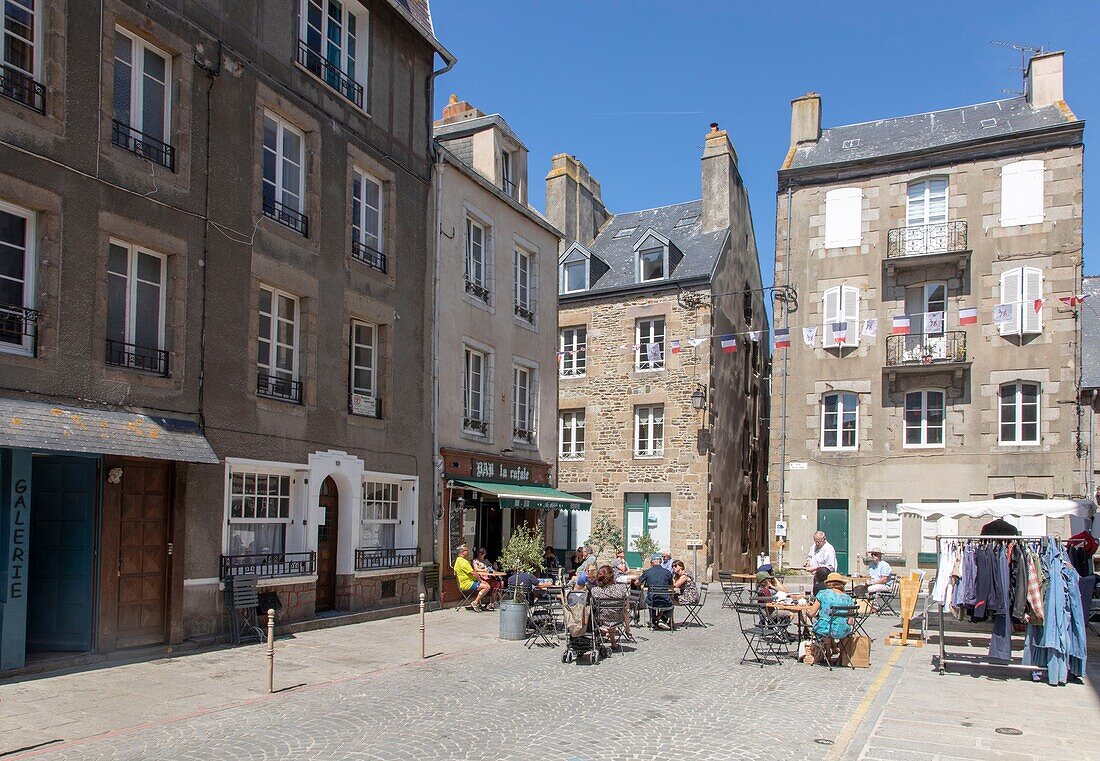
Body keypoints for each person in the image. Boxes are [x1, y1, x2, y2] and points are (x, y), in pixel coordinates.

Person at [807, 572, 856, 658]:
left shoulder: (823, 594)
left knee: (824, 624)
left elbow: (811, 613)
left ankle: (827, 651)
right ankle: (841, 654)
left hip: (825, 629)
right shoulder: (848, 598)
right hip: (843, 631)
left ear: (828, 583)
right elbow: (850, 621)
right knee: (834, 623)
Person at [588, 565, 630, 651]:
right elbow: (627, 606)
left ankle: (603, 633)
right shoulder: (621, 589)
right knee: (619, 611)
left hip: (601, 619)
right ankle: (616, 640)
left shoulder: (595, 590)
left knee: (604, 611)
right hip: (618, 619)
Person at [639, 554, 675, 629]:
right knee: (669, 600)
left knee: (650, 599)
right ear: (661, 562)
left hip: (652, 600)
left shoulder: (647, 572)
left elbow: (637, 583)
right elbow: (671, 586)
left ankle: (653, 621)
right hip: (665, 600)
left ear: (651, 562)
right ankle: (662, 619)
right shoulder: (667, 572)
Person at [453, 545, 491, 611]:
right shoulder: (463, 562)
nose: (469, 552)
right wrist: (481, 580)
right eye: (467, 550)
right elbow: (473, 573)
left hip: (467, 582)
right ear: (462, 552)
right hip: (467, 584)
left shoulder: (458, 560)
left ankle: (478, 603)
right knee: (486, 586)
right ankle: (475, 602)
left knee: (485, 585)